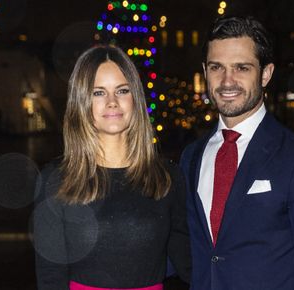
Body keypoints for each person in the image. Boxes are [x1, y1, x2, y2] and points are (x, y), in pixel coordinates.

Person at [179, 16, 294, 290]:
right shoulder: (191, 157)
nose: (227, 81)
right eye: (216, 67)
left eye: (241, 68)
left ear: (265, 74)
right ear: (205, 71)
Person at [34, 45, 190, 290]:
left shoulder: (167, 178)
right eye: (98, 93)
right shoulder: (56, 180)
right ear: (81, 102)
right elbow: (50, 277)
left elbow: (189, 261)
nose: (112, 102)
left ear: (135, 98)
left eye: (122, 90)